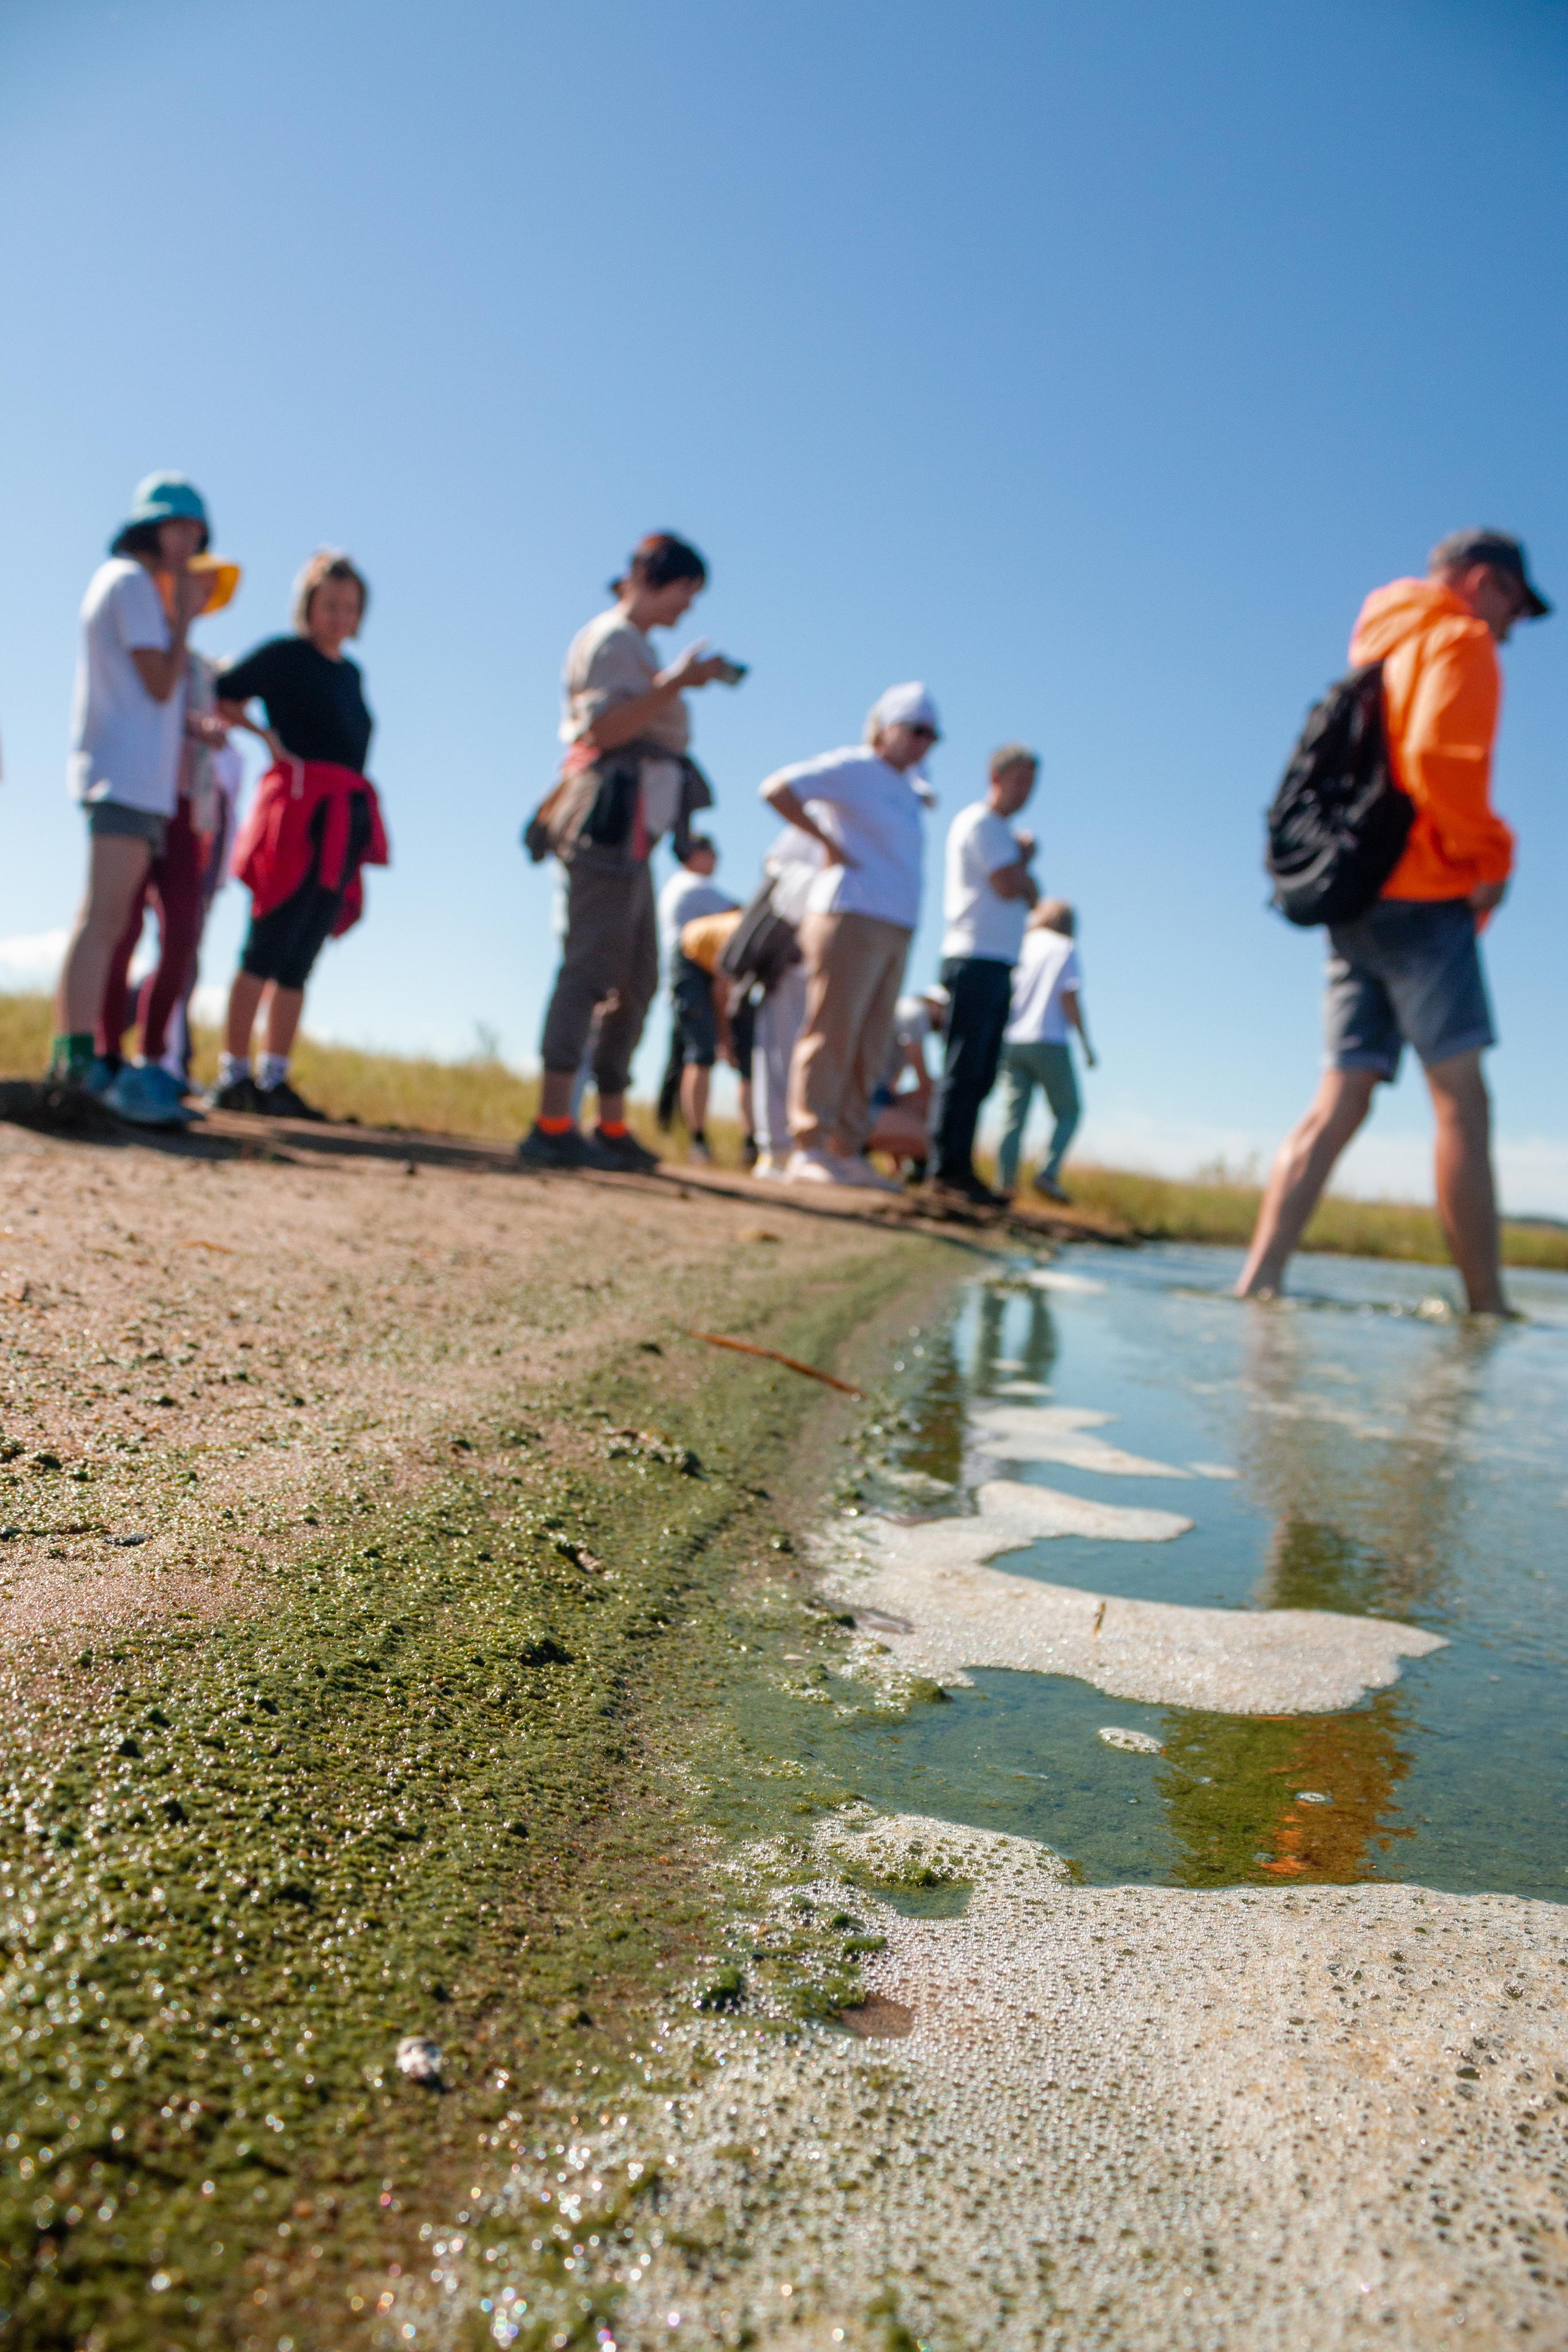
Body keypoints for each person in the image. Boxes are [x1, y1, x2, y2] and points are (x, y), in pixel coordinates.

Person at [1237, 529, 1551, 1313]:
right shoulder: (1459, 637)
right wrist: (1490, 861)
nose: (1514, 625)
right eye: (1515, 603)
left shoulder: (1384, 640)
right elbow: (1439, 761)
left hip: (1353, 898)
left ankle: (1259, 1279)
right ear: (1483, 583)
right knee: (1461, 1100)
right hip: (1422, 895)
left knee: (1338, 1098)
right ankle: (1486, 1307)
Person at [520, 533, 737, 1172]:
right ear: (650, 578)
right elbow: (605, 731)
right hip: (605, 826)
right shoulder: (613, 640)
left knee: (638, 977)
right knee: (589, 967)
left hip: (636, 837)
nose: (687, 609)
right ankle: (551, 1120)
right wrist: (677, 684)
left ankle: (608, 1125)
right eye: (684, 592)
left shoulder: (638, 647)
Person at [52, 473, 228, 1093]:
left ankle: (75, 1059)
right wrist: (182, 619)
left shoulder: (127, 587)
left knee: (100, 920)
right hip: (123, 778)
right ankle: (76, 1064)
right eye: (179, 528)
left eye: (196, 533)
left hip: (131, 780)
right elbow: (158, 684)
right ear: (151, 527)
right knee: (103, 924)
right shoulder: (130, 585)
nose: (188, 543)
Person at [206, 551, 388, 1119]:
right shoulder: (285, 657)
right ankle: (233, 1073)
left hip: (344, 815)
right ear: (308, 607)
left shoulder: (351, 674)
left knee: (303, 953)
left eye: (348, 607)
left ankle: (274, 1076)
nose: (338, 616)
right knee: (267, 940)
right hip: (299, 811)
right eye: (328, 605)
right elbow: (222, 689)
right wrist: (265, 737)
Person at [758, 682, 938, 1189]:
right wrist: (827, 844)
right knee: (832, 1028)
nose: (924, 742)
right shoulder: (856, 767)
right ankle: (809, 1145)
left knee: (872, 1041)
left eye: (932, 735)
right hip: (850, 913)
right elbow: (777, 788)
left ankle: (847, 1148)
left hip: (898, 925)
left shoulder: (910, 789)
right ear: (886, 728)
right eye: (916, 730)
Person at [97, 649, 244, 1123]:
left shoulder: (203, 674)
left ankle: (153, 1060)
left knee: (183, 936)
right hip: (141, 790)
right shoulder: (152, 649)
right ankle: (105, 1056)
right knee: (122, 925)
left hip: (186, 811)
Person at [929, 744, 1040, 1204]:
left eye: (1031, 784)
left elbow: (1028, 894)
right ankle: (944, 1168)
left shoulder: (1001, 834)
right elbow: (1011, 885)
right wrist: (1023, 865)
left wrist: (1022, 869)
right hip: (974, 958)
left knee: (981, 1071)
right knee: (964, 1066)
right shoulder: (983, 824)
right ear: (995, 778)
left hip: (996, 962)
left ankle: (960, 1169)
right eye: (1019, 781)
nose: (1026, 792)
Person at [996, 899, 1096, 1200]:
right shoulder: (1064, 947)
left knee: (1013, 1118)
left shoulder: (1020, 944)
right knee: (1069, 1111)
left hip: (1012, 1040)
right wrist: (1086, 1044)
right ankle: (1048, 1173)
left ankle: (1005, 1186)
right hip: (1049, 1038)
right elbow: (1069, 998)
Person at [748, 824, 822, 1177]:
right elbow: (775, 862)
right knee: (779, 1053)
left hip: (825, 962)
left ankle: (803, 1150)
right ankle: (776, 1151)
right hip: (789, 959)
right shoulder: (815, 816)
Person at [655, 837, 735, 1140]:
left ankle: (668, 1129)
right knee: (700, 1052)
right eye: (712, 853)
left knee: (679, 1054)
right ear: (696, 854)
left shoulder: (680, 886)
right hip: (690, 968)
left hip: (684, 972)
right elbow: (741, 913)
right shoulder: (693, 885)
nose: (716, 861)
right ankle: (696, 1138)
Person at [864, 984, 948, 1177]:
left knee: (913, 1103)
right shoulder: (915, 1012)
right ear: (936, 1005)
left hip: (874, 1093)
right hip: (867, 1098)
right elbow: (924, 1082)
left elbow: (894, 1084)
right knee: (933, 1130)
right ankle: (856, 1144)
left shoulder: (901, 1011)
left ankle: (897, 1168)